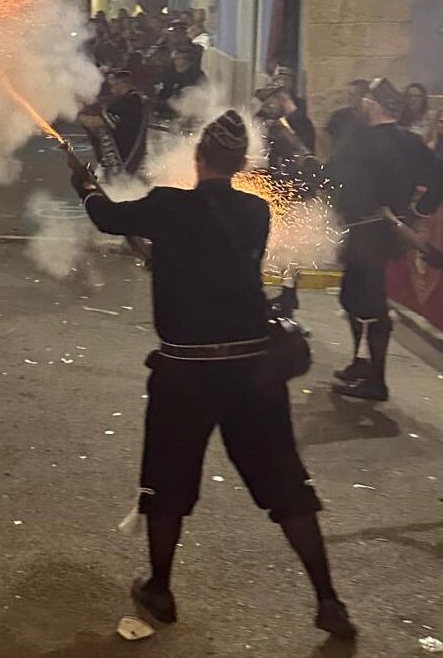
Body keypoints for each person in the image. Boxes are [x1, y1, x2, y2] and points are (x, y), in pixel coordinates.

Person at [67, 111, 356, 640]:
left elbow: (106, 217)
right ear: (241, 163)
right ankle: (328, 600)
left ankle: (160, 589)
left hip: (187, 371)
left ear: (198, 158)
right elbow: (215, 263)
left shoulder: (168, 205)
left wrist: (85, 186)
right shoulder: (255, 211)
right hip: (251, 369)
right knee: (286, 487)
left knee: (167, 483)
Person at [326, 78, 443, 401]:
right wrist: (417, 211)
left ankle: (375, 379)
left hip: (367, 233)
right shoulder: (410, 141)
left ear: (374, 105)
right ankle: (362, 364)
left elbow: (334, 175)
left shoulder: (361, 140)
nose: (362, 105)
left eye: (366, 101)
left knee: (368, 303)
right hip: (384, 234)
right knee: (357, 299)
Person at [78, 69, 149, 177]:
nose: (112, 89)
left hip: (124, 156)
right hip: (135, 154)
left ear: (122, 84)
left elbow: (94, 122)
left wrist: (74, 114)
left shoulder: (128, 102)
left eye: (114, 85)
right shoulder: (137, 99)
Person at [153, 46, 206, 121]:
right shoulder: (169, 73)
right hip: (169, 111)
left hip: (191, 112)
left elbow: (204, 93)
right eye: (175, 58)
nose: (176, 61)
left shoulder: (197, 75)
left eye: (180, 58)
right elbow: (163, 92)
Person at [324, 79, 368, 160]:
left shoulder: (370, 118)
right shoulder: (340, 115)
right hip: (341, 161)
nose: (349, 97)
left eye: (353, 95)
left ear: (363, 97)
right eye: (349, 94)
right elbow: (325, 135)